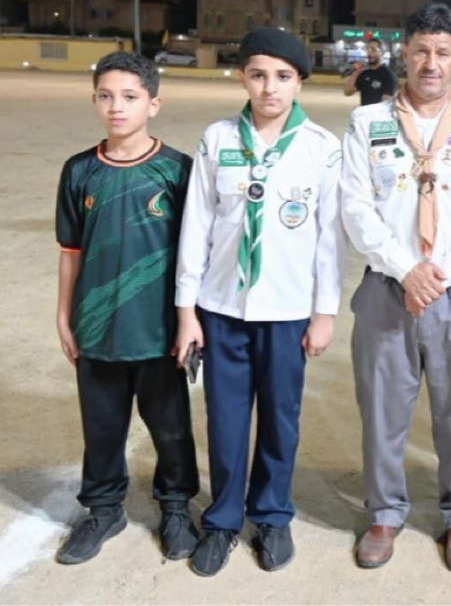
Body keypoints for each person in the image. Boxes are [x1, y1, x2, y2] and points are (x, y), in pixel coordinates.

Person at [342, 2, 451, 572]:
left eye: (442, 52)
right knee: (382, 408)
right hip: (388, 288)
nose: (431, 63)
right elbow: (355, 207)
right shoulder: (368, 124)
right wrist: (403, 268)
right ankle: (385, 512)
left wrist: (441, 273)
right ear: (404, 56)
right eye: (420, 51)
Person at [175, 28, 346, 576]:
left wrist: (325, 312)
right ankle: (223, 521)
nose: (269, 87)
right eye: (258, 74)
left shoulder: (321, 148)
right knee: (225, 420)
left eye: (282, 76)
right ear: (242, 77)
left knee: (280, 418)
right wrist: (186, 311)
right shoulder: (217, 138)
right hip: (222, 308)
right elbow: (196, 225)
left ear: (300, 82)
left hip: (288, 311)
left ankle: (272, 515)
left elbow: (329, 238)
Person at [54, 51, 200, 565]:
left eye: (130, 97)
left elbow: (194, 254)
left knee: (171, 426)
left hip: (158, 329)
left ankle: (176, 507)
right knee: (102, 426)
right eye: (106, 96)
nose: (117, 107)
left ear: (153, 104)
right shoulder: (79, 171)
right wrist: (64, 316)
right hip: (96, 327)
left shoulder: (177, 170)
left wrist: (190, 320)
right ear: (94, 100)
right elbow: (71, 252)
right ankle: (103, 509)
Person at [343, 37, 396, 106]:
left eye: (373, 50)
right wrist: (355, 73)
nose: (369, 52)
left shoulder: (388, 75)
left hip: (377, 112)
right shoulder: (365, 73)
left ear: (382, 53)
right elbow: (347, 92)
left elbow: (386, 103)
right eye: (368, 49)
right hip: (364, 112)